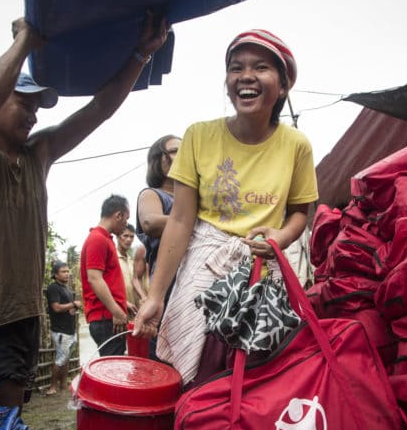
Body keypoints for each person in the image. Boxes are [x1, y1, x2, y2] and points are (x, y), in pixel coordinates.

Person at [0, 14, 169, 409]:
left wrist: (140, 54)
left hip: (24, 317)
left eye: (37, 105)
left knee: (9, 424)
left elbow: (99, 109)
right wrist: (26, 41)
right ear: (0, 103)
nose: (33, 113)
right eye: (23, 102)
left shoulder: (37, 155)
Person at [134, 29, 318, 388]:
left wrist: (279, 236)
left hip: (263, 270)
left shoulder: (296, 145)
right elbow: (181, 221)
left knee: (258, 373)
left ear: (282, 86)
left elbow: (300, 212)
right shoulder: (199, 136)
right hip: (205, 262)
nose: (245, 76)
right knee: (197, 375)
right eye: (236, 68)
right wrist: (155, 295)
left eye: (260, 67)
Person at [80, 195, 132, 356]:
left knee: (114, 364)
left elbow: (108, 279)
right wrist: (116, 311)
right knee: (113, 369)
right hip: (106, 318)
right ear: (118, 215)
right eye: (126, 218)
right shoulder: (98, 239)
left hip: (109, 316)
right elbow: (94, 278)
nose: (125, 225)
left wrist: (124, 303)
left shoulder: (105, 239)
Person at [136, 134, 181, 277]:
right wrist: (200, 221)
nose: (183, 155)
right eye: (175, 151)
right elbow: (151, 223)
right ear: (158, 160)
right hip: (170, 280)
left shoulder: (196, 199)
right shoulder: (152, 194)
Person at [45, 261, 81, 395]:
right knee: (60, 359)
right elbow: (56, 307)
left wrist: (73, 307)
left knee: (66, 359)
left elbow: (68, 308)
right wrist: (73, 304)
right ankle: (52, 387)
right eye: (63, 272)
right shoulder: (53, 288)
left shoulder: (66, 288)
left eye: (67, 271)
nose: (67, 274)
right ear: (55, 274)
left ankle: (63, 385)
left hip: (70, 329)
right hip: (60, 331)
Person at [116, 224, 140, 317]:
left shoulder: (131, 262)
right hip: (117, 313)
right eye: (125, 236)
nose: (129, 239)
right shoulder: (112, 259)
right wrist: (123, 303)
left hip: (132, 314)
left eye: (131, 236)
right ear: (117, 237)